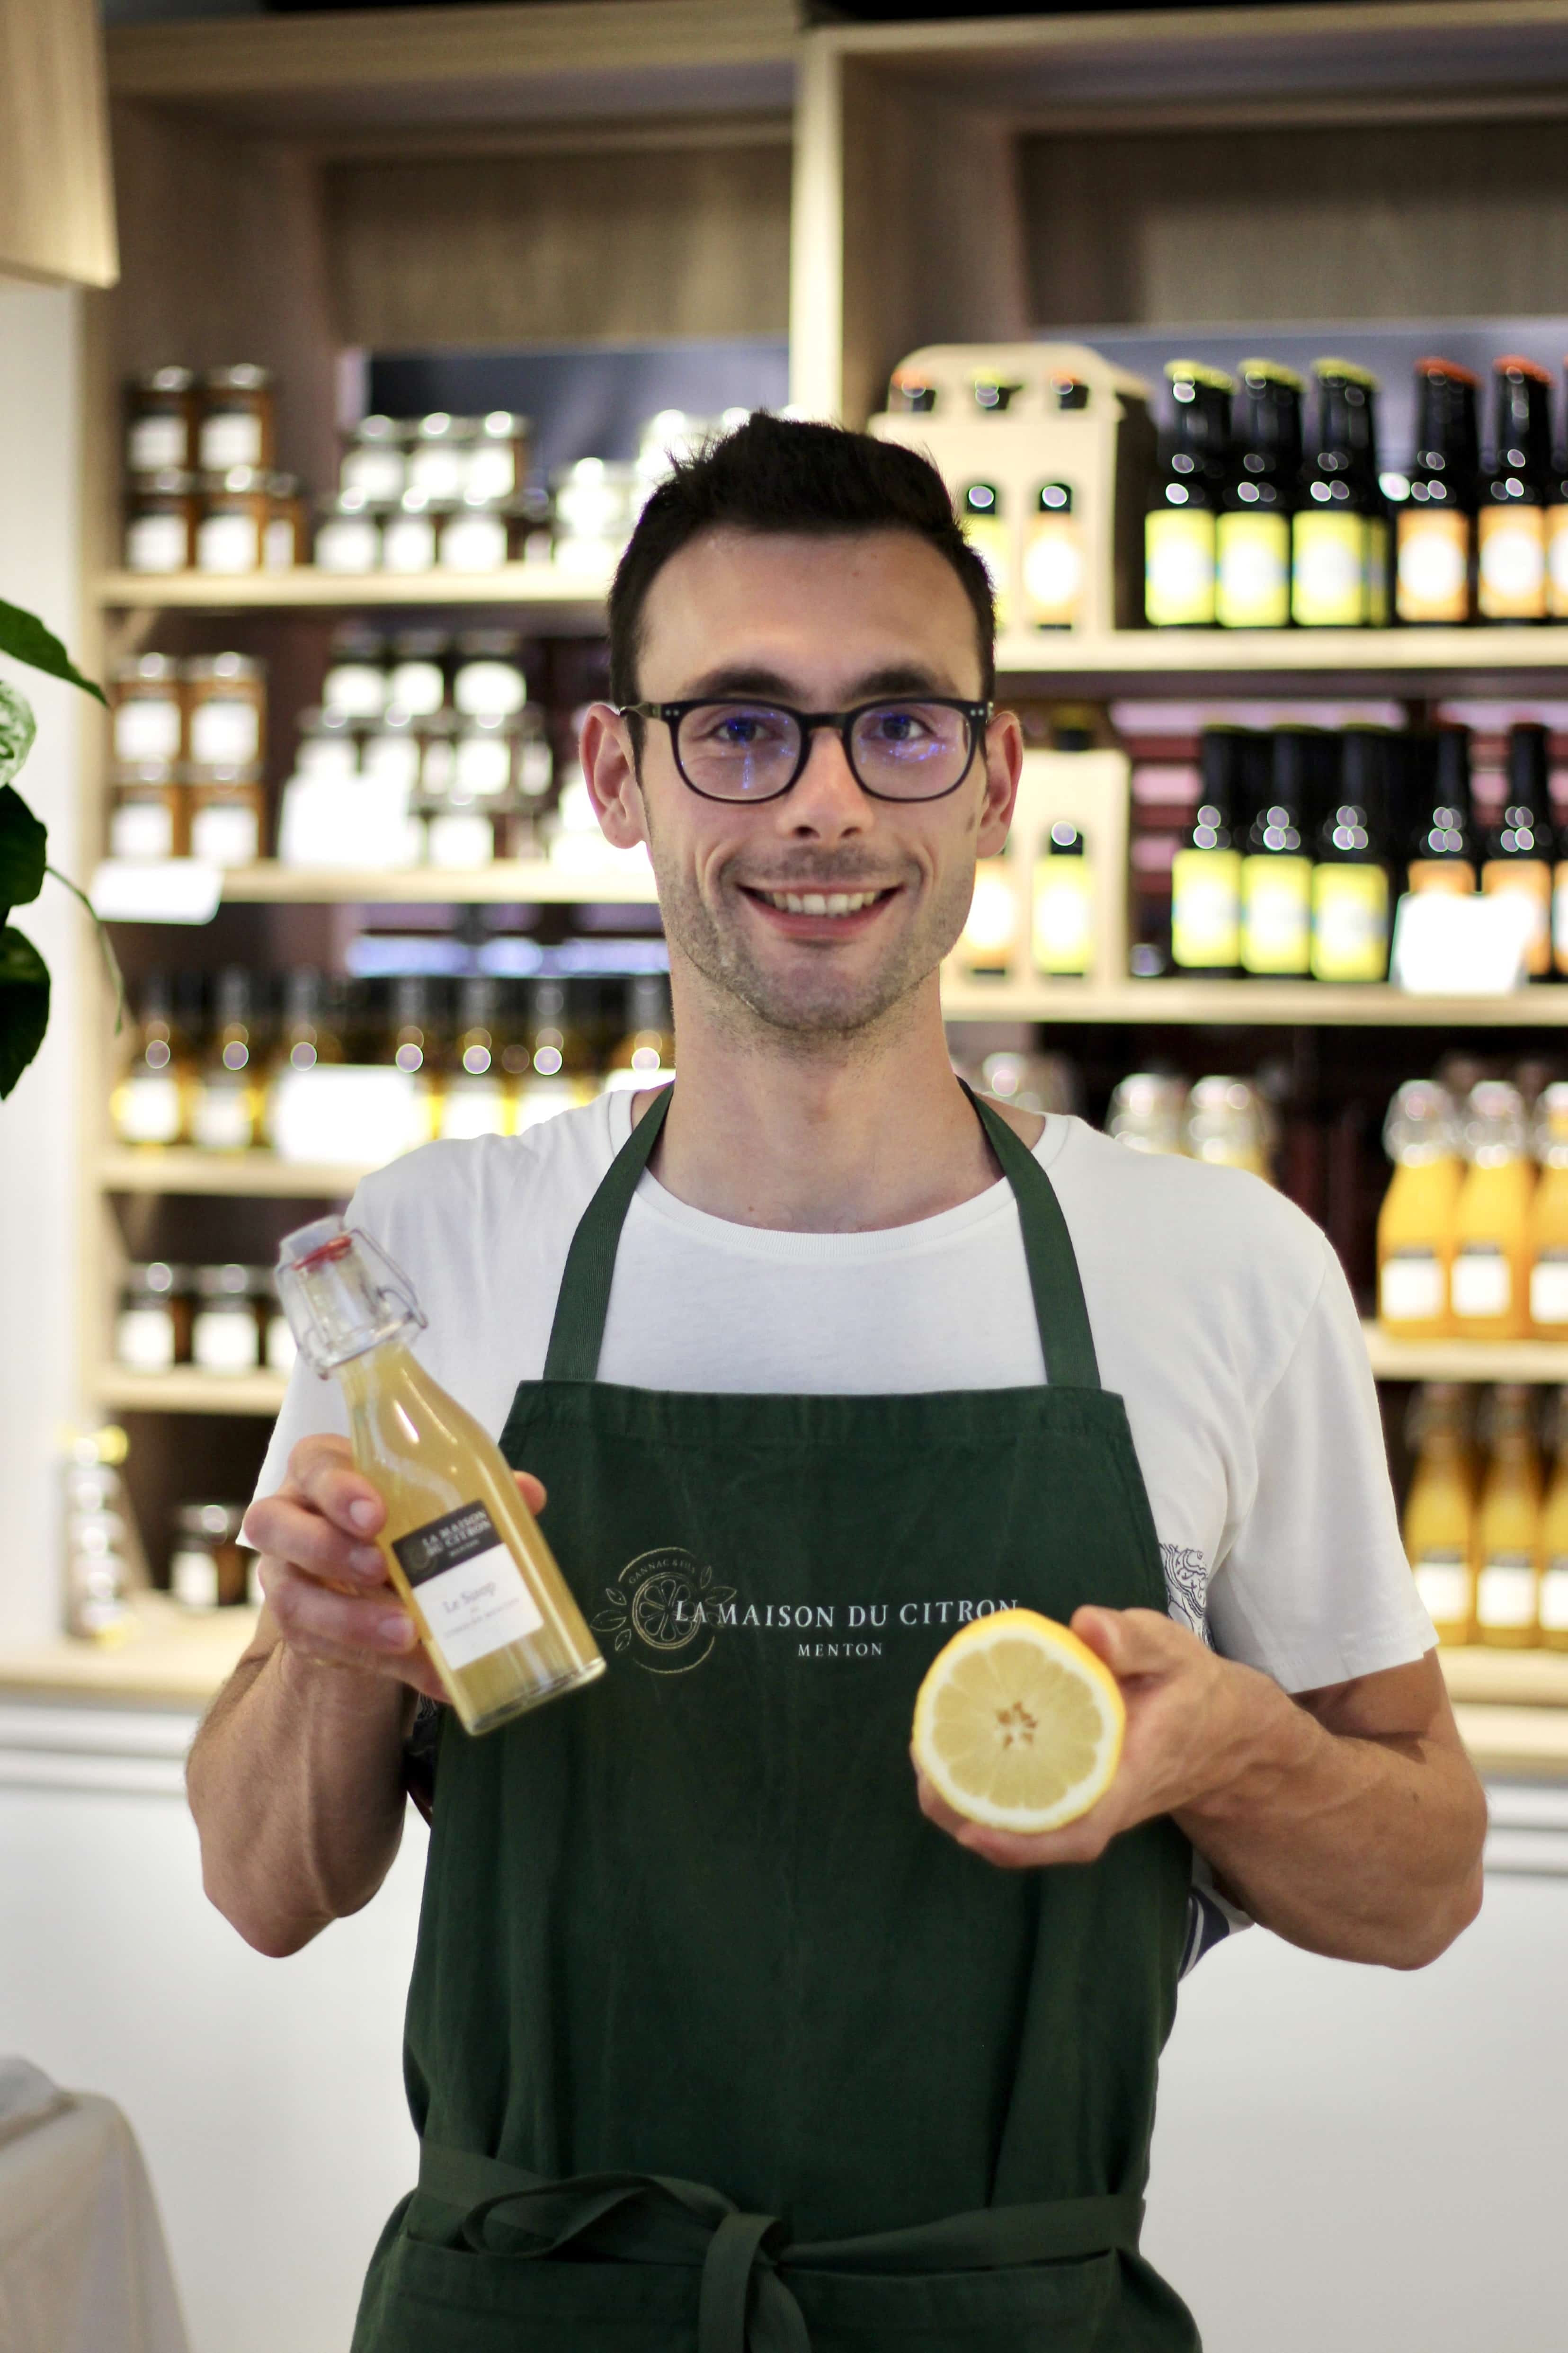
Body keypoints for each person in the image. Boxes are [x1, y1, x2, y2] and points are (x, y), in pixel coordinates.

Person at [189, 414, 1486, 2353]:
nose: (823, 803)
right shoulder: (432, 1256)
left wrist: (1231, 1750)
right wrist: (326, 1656)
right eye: (739, 726)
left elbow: (1423, 1887)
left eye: (899, 723)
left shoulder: (1223, 1271)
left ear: (995, 776)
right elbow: (262, 1885)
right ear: (617, 773)